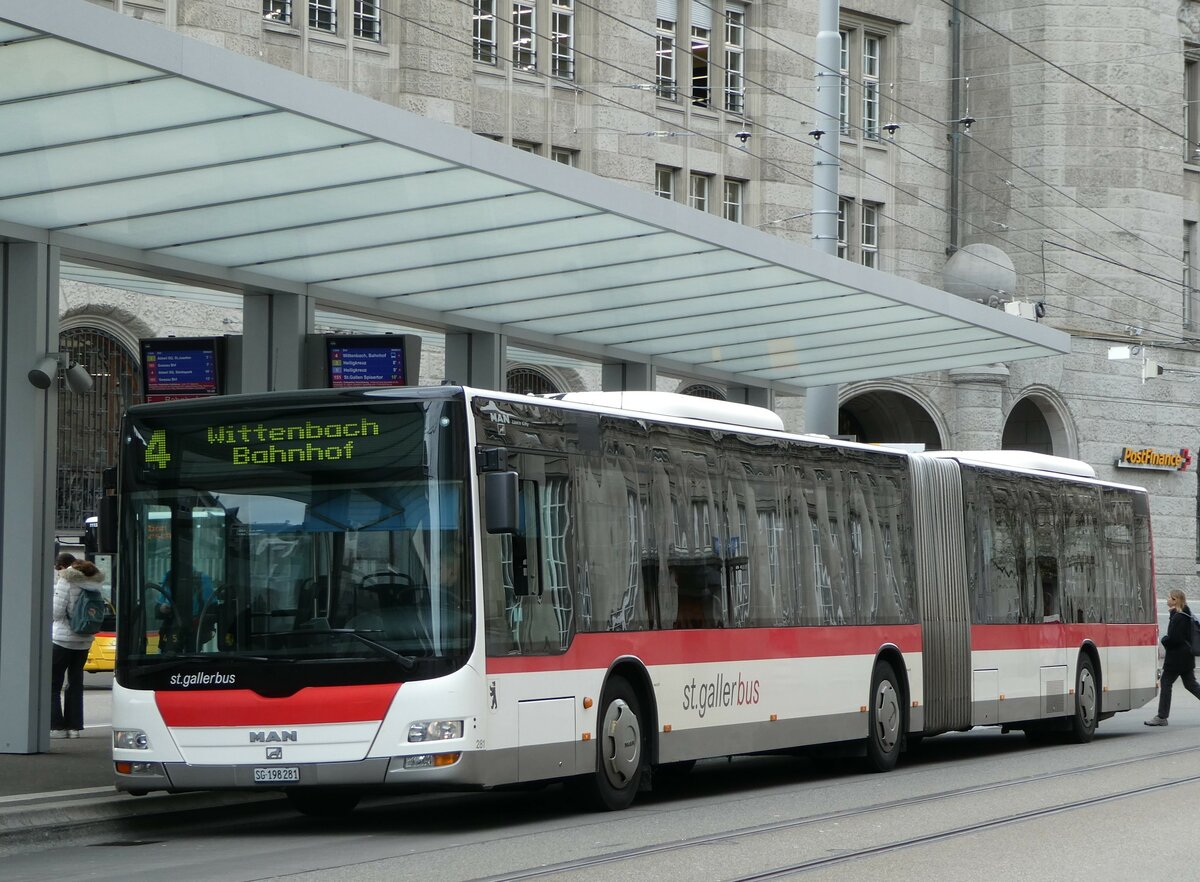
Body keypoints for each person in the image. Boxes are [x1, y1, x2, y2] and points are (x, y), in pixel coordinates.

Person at [50, 558, 105, 739]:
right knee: (75, 682)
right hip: (84, 641)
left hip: (62, 640)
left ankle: (57, 727)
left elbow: (56, 612)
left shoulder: (66, 580)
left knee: (53, 684)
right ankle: (74, 728)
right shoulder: (95, 583)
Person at [1145, 588, 1200, 725]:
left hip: (1176, 658)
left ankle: (1162, 717)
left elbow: (1175, 639)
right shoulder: (1184, 615)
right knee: (1190, 685)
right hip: (1186, 657)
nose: (1167, 599)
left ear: (1175, 600)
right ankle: (1162, 716)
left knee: (1166, 682)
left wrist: (1164, 640)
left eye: (1169, 597)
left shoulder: (1179, 617)